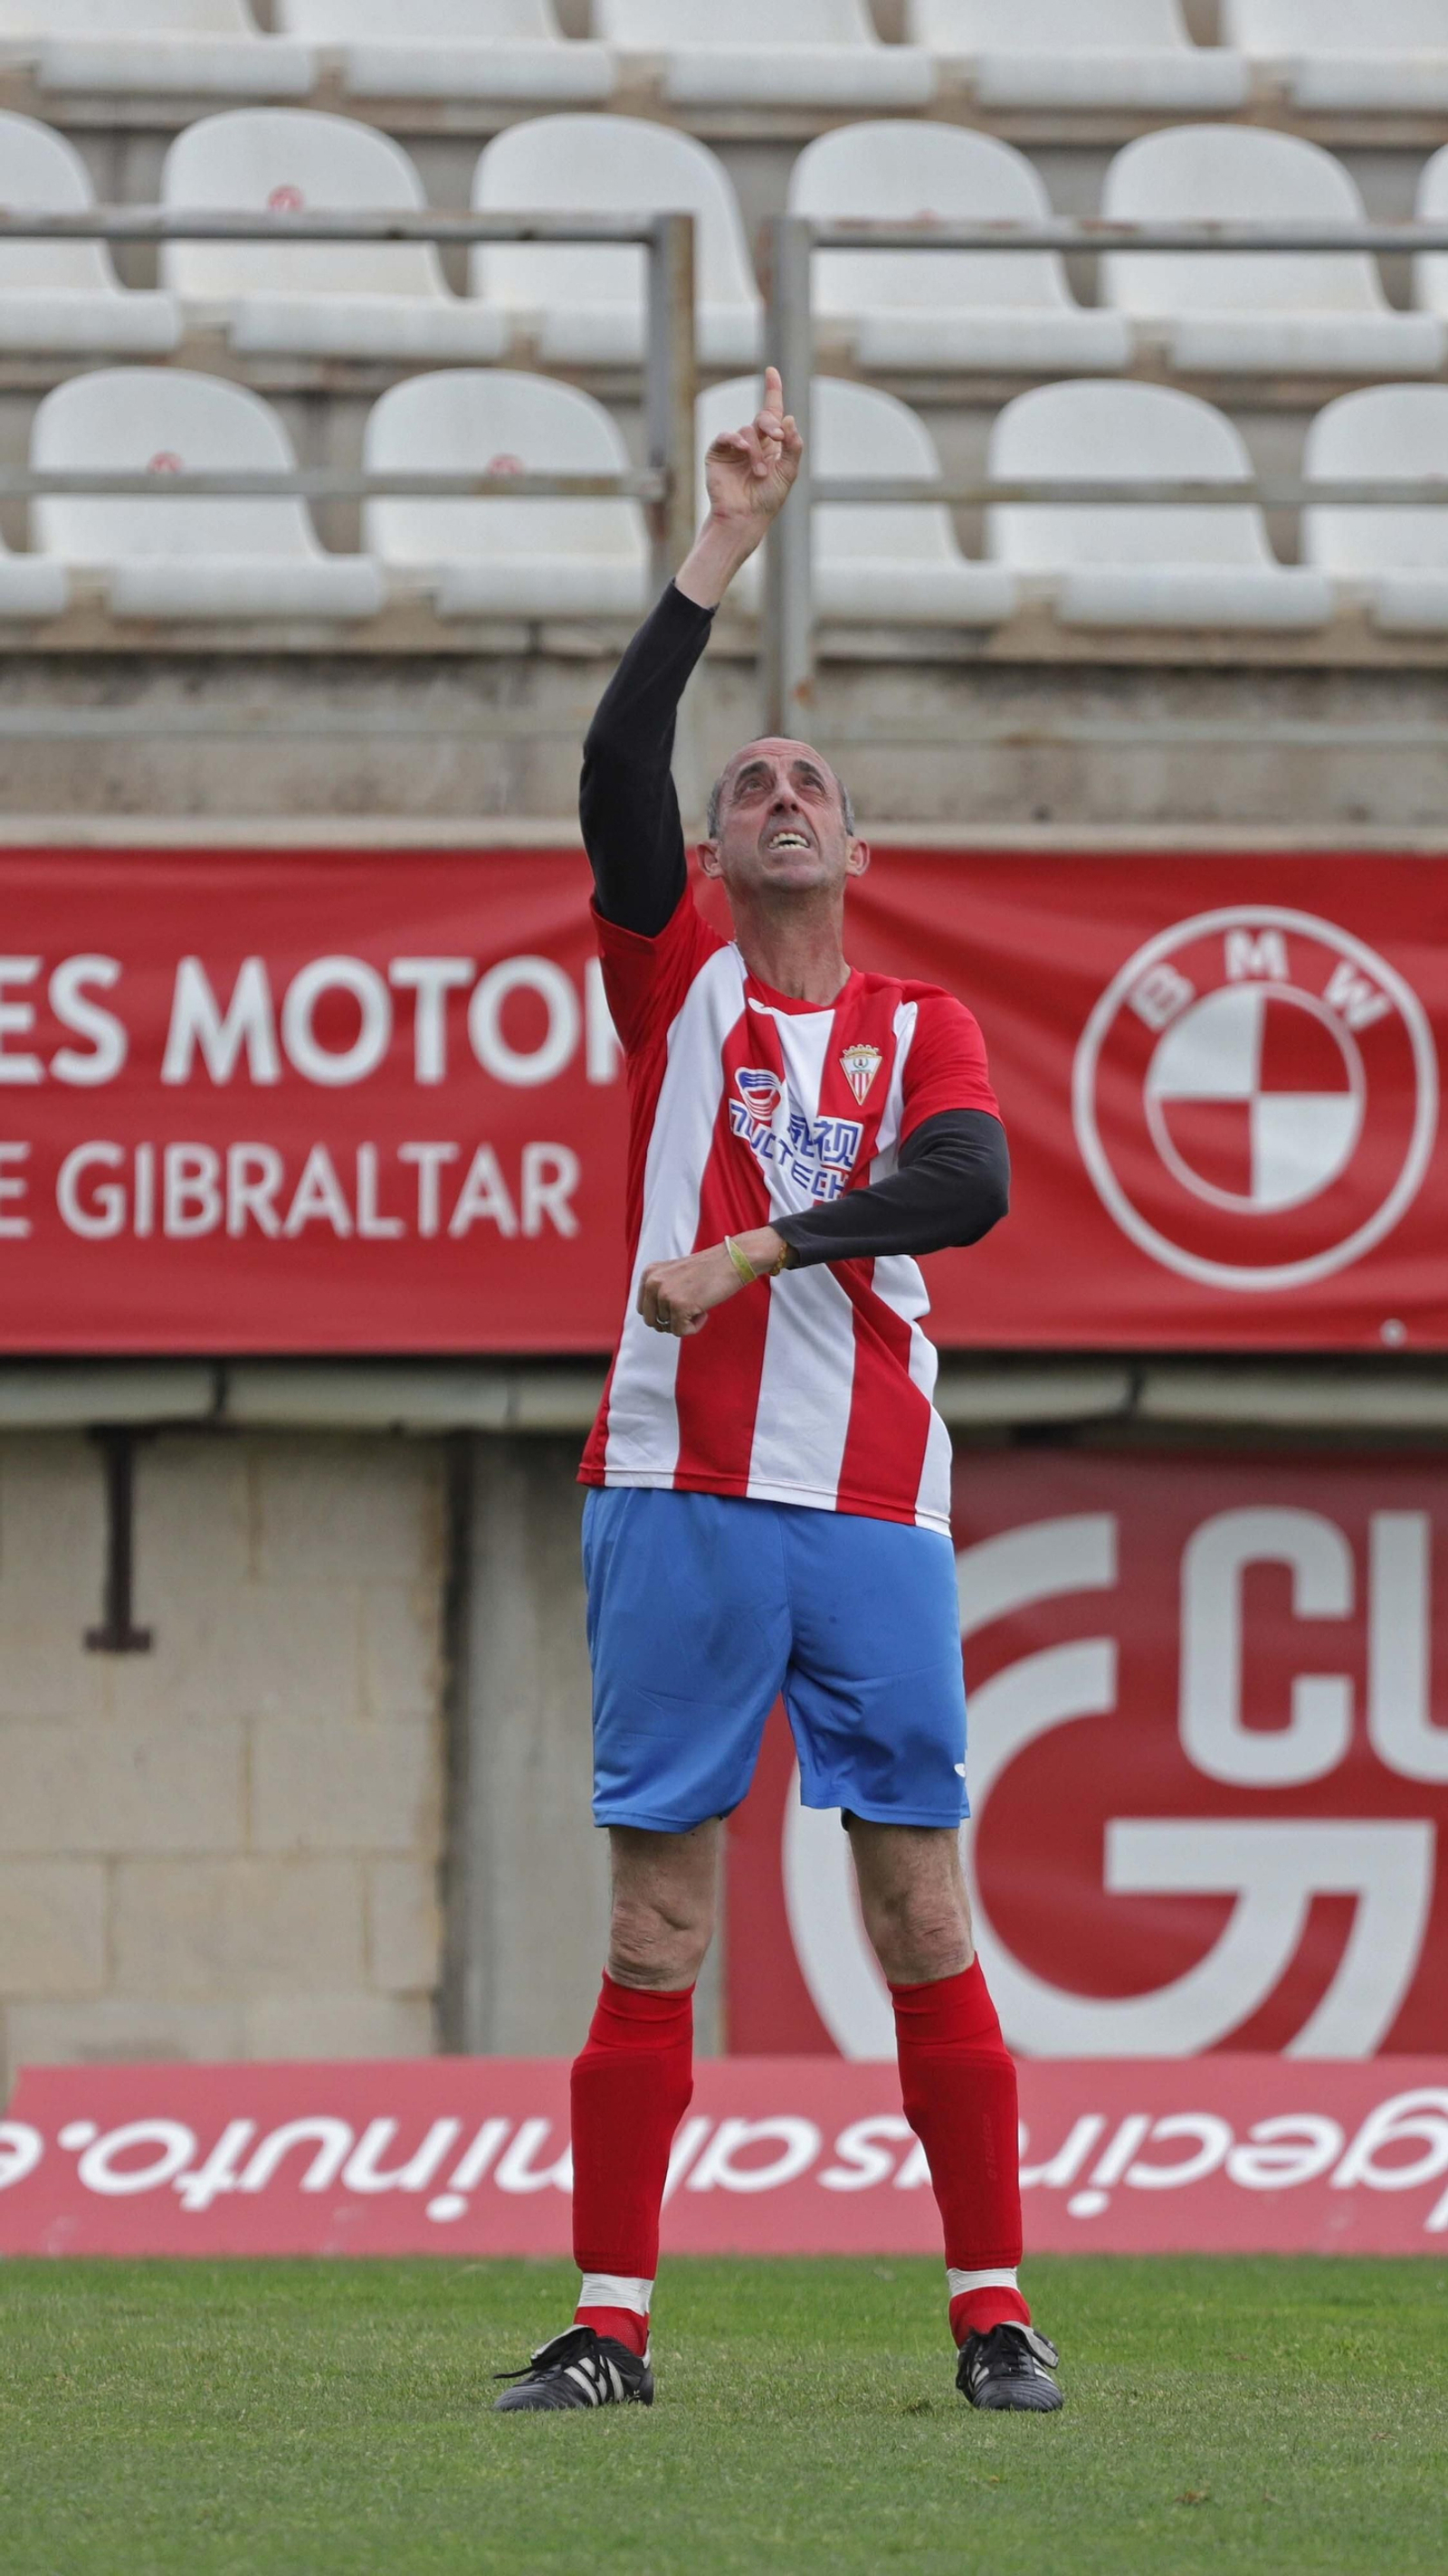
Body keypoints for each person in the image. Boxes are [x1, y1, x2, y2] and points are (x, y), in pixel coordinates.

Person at [494, 369, 1061, 2418]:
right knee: (657, 1914)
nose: (777, 794)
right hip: (672, 1483)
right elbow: (612, 752)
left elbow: (968, 1185)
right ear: (715, 858)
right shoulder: (673, 981)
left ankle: (989, 2306)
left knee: (917, 1897)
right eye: (751, 788)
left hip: (868, 1506)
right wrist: (717, 541)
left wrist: (751, 1249)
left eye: (808, 782)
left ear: (856, 840)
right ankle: (611, 2321)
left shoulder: (922, 1019)